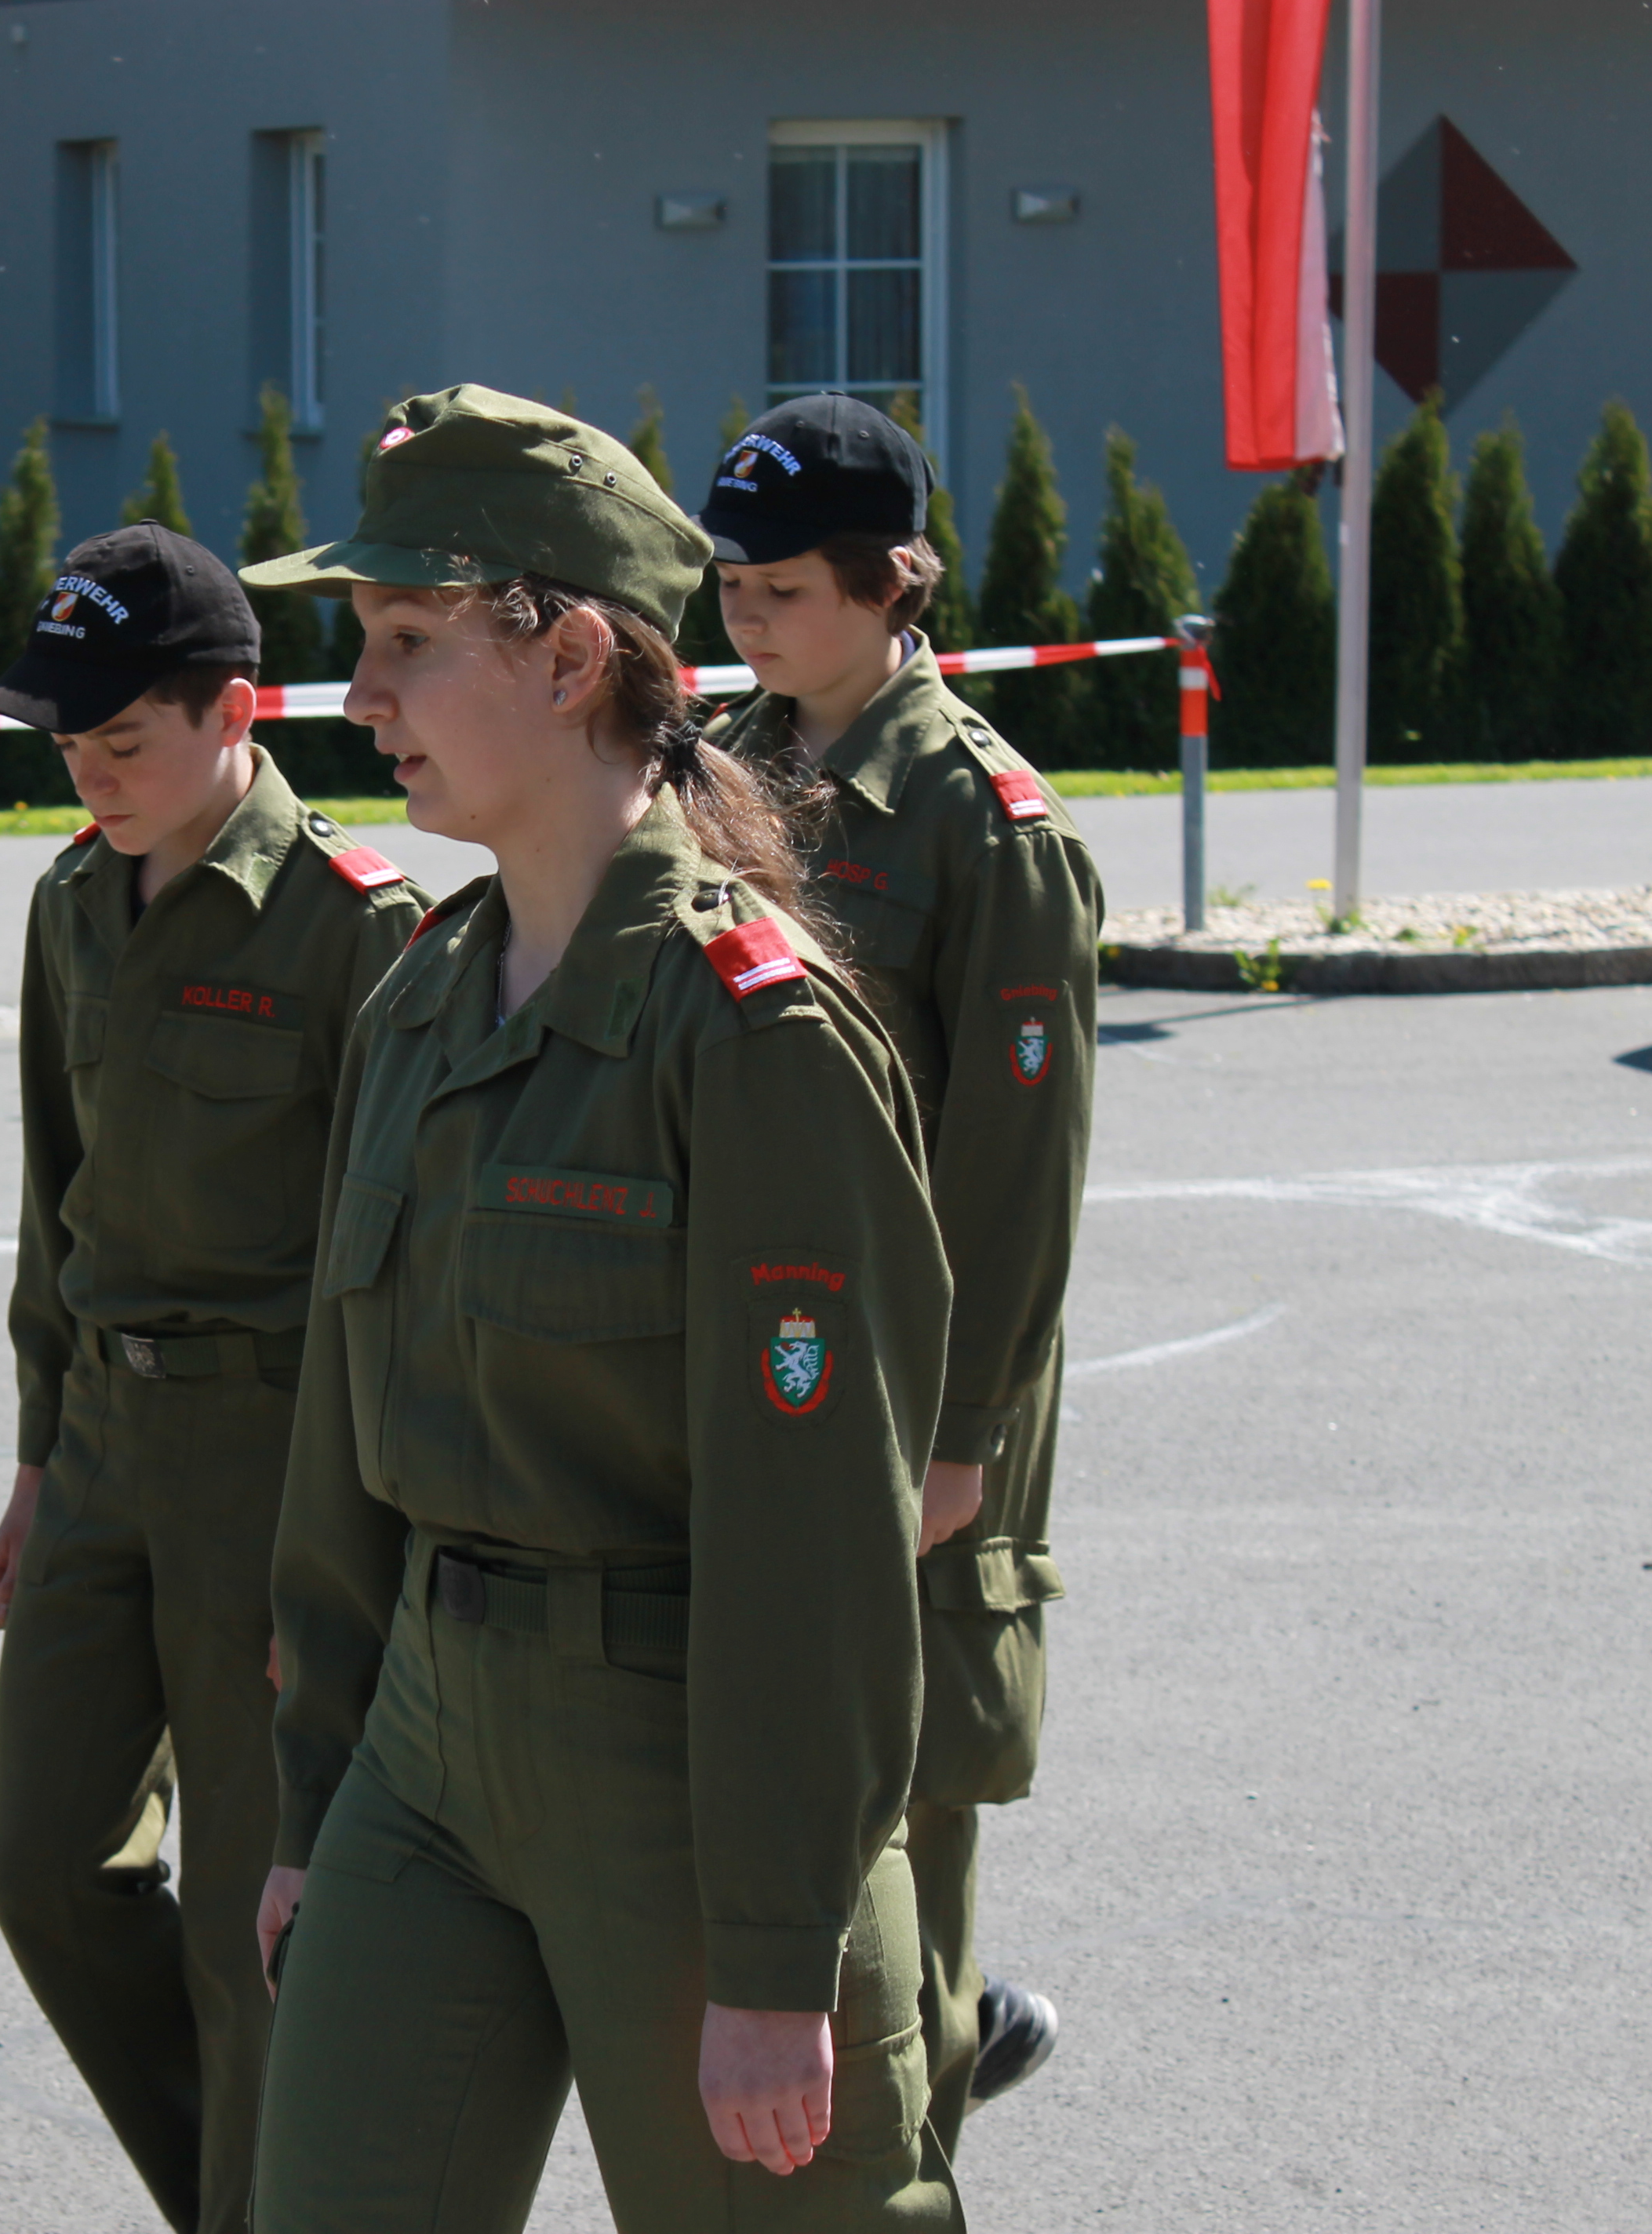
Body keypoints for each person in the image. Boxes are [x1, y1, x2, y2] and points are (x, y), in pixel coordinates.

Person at [239, 385, 964, 2231]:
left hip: (684, 1768)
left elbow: (821, 1530)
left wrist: (780, 1944)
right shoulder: (421, 997)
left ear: (567, 659)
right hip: (425, 1746)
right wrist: (314, 1800)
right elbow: (342, 1455)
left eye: (409, 639)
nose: (361, 694)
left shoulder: (753, 1030)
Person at [0, 522, 431, 2234]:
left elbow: (394, 1282)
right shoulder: (72, 902)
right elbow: (56, 1203)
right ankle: (248, 2194)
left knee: (256, 1915)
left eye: (122, 740)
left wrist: (346, 1557)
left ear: (235, 712)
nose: (90, 776)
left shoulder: (358, 928)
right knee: (42, 1869)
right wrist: (36, 1463)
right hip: (102, 1439)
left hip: (274, 1457)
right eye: (67, 745)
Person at [700, 394, 1104, 2156]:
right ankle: (925, 2035)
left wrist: (962, 1434)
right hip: (750, 1343)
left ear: (890, 583)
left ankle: (915, 2107)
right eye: (731, 583)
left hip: (909, 1381)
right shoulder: (716, 764)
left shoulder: (984, 825)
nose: (747, 616)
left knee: (903, 1775)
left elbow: (1021, 1176)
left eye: (784, 587)